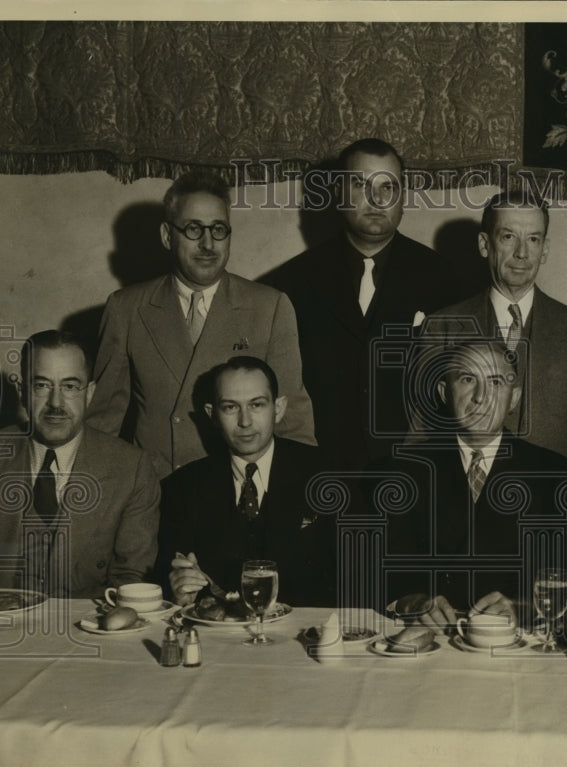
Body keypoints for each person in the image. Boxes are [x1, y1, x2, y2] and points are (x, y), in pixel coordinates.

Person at [87, 170, 316, 477]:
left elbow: (292, 422)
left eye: (219, 229)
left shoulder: (269, 307)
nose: (208, 243)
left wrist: (299, 498)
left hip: (236, 494)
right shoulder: (126, 308)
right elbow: (102, 424)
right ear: (168, 236)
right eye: (194, 229)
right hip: (157, 495)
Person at [264, 138, 468, 471]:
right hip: (319, 472)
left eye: (389, 186)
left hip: (418, 474)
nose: (377, 199)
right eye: (361, 184)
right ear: (338, 193)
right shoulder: (289, 283)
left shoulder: (447, 280)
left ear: (404, 197)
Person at [420, 190, 567, 548]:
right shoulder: (442, 325)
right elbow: (421, 429)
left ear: (545, 249)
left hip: (545, 517)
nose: (522, 253)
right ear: (484, 244)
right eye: (509, 237)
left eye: (533, 239)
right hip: (456, 520)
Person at [383, 340, 567, 629]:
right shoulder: (405, 468)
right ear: (444, 393)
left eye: (495, 382)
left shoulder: (552, 472)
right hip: (427, 636)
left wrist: (523, 607)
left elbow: (563, 575)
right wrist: (408, 601)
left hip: (510, 642)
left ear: (514, 398)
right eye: (467, 379)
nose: (481, 397)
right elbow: (378, 568)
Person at [0, 331, 160, 597]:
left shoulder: (132, 468)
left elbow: (131, 581)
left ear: (89, 394)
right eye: (41, 385)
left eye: (70, 386)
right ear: (22, 392)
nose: (56, 403)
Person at [161, 356, 333, 607]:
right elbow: (171, 581)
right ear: (212, 414)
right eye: (230, 407)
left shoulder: (328, 475)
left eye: (257, 405)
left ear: (279, 408)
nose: (245, 421)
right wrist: (178, 595)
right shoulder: (182, 487)